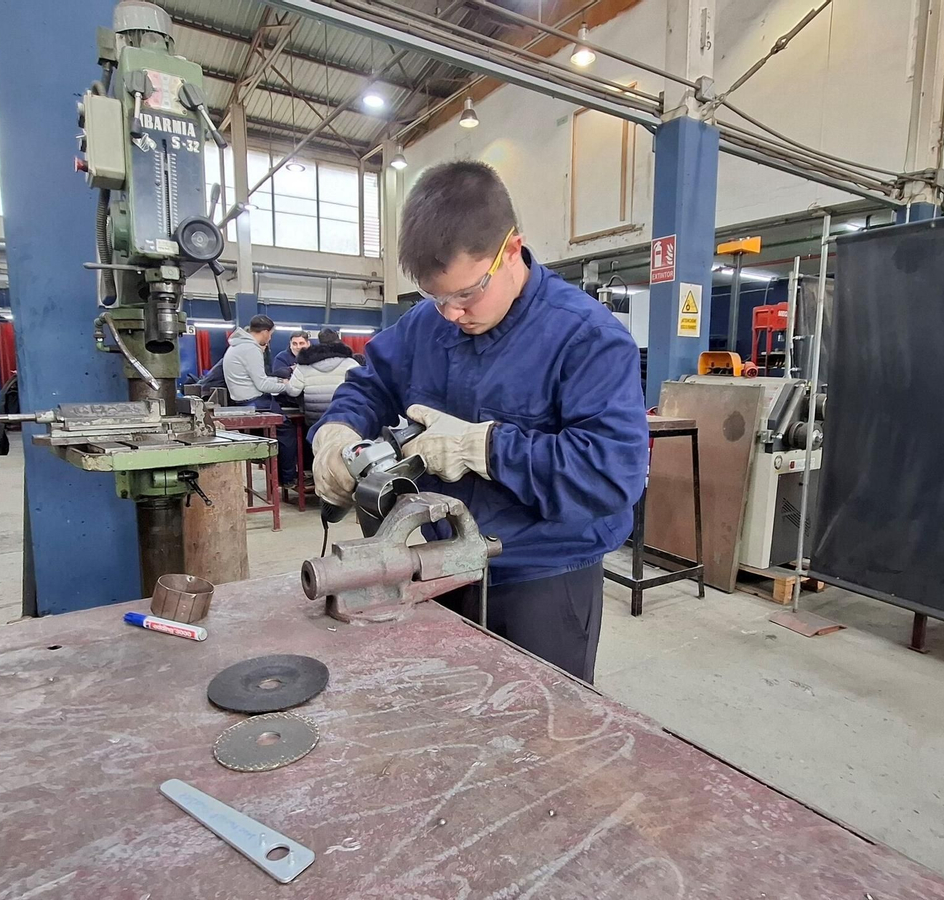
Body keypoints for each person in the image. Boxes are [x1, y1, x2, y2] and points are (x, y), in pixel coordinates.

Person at [311, 161, 648, 683]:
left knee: (540, 721)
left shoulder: (587, 338)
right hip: (439, 566)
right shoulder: (426, 325)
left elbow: (611, 474)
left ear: (512, 249)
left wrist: (484, 448)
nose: (451, 313)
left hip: (542, 578)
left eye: (466, 294)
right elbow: (369, 384)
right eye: (436, 297)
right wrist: (338, 431)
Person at [222, 315, 297, 487]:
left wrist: (279, 381)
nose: (270, 339)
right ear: (264, 332)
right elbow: (262, 384)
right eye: (270, 334)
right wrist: (288, 386)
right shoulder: (251, 348)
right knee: (287, 429)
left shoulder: (237, 345)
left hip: (242, 400)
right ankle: (287, 478)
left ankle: (278, 474)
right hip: (255, 402)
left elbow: (257, 379)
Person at [284, 328, 360, 421]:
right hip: (342, 417)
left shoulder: (304, 365)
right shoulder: (351, 364)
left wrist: (286, 383)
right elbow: (362, 389)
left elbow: (293, 392)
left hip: (315, 419)